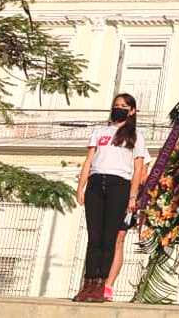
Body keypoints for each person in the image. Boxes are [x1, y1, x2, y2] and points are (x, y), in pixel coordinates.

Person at [72, 93, 146, 303]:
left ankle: (100, 285)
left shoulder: (136, 135)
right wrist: (81, 187)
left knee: (109, 238)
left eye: (123, 106)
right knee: (94, 237)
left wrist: (132, 197)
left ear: (132, 111)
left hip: (119, 185)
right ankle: (88, 283)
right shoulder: (99, 131)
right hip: (96, 183)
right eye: (116, 105)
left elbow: (138, 168)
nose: (119, 108)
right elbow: (89, 160)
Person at [103, 147, 152, 302]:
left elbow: (143, 176)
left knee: (118, 240)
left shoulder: (138, 146)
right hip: (107, 194)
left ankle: (108, 285)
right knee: (101, 239)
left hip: (126, 198)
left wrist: (132, 194)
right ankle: (95, 282)